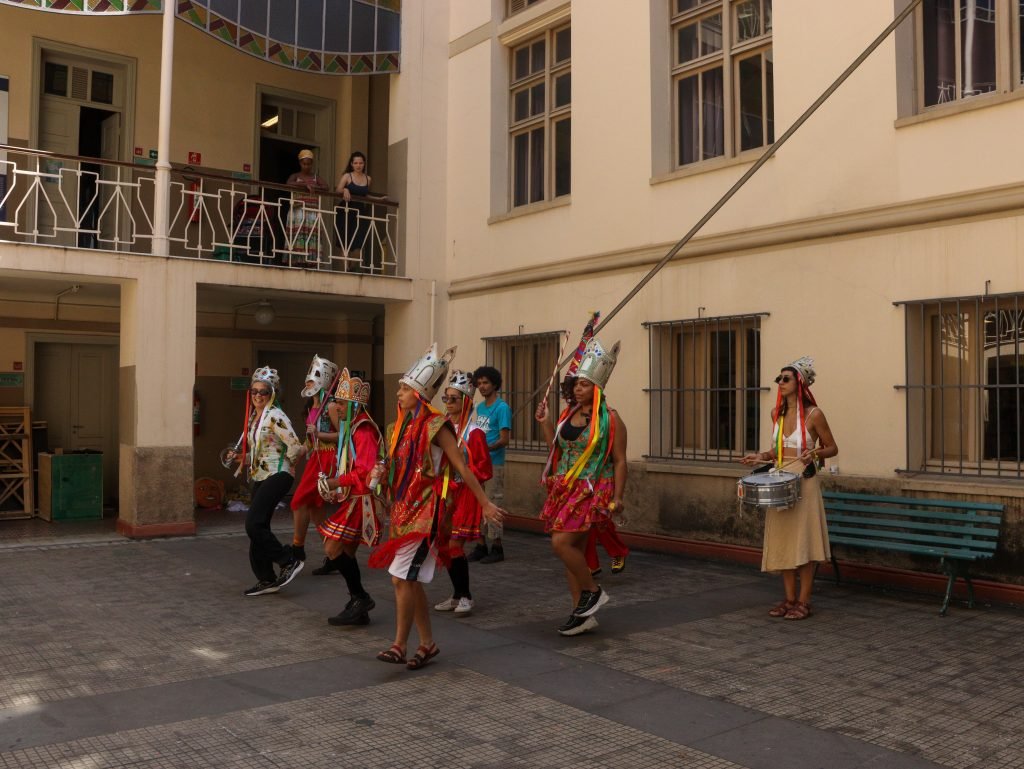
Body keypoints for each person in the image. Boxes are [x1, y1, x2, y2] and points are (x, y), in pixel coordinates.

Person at [368, 344, 505, 669]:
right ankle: (427, 643)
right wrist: (380, 473)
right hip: (403, 512)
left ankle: (400, 644)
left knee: (402, 578)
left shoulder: (436, 426)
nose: (399, 393)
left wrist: (484, 502)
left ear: (420, 393)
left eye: (404, 388)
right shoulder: (397, 428)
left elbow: (462, 466)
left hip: (426, 513)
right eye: (400, 387)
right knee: (405, 580)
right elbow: (397, 466)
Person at [535, 338, 628, 636]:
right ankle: (582, 612)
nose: (578, 388)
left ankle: (593, 590)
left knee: (561, 543)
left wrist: (618, 497)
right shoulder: (566, 415)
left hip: (591, 488)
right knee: (570, 550)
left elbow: (620, 460)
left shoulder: (610, 419)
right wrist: (546, 422)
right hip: (565, 486)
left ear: (597, 387)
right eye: (576, 384)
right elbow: (557, 448)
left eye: (585, 384)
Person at [740, 356, 838, 621]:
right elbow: (778, 451)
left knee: (804, 541)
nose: (780, 383)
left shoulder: (814, 414)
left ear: (799, 382)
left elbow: (832, 447)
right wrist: (760, 456)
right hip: (780, 479)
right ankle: (789, 598)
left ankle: (804, 601)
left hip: (804, 482)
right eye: (778, 379)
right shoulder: (777, 414)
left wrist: (815, 455)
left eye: (785, 379)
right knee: (784, 539)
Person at [226, 367, 307, 596]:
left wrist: (289, 465)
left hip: (277, 475)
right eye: (254, 392)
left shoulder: (275, 416)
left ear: (272, 393)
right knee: (258, 526)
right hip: (261, 474)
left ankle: (288, 560)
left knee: (253, 524)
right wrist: (243, 457)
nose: (258, 396)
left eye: (263, 392)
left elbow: (295, 446)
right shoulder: (255, 418)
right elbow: (263, 451)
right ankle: (266, 578)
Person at [316, 368, 386, 626]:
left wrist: (336, 481)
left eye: (342, 403)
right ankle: (359, 606)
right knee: (346, 551)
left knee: (331, 548)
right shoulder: (351, 427)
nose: (336, 406)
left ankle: (361, 597)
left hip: (361, 500)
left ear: (354, 405)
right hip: (352, 497)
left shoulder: (363, 431)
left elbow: (365, 471)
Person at [433, 370, 492, 617]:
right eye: (446, 398)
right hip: (444, 492)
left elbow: (483, 468)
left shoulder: (474, 432)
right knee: (444, 544)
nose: (448, 403)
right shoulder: (440, 428)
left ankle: (466, 595)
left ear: (466, 401)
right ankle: (457, 593)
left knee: (456, 544)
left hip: (465, 493)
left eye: (454, 398)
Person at [288, 355, 340, 568]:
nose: (307, 383)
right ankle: (335, 556)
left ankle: (297, 548)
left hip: (328, 458)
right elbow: (309, 441)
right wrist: (296, 456)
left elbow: (345, 436)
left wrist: (319, 435)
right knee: (314, 510)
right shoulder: (311, 406)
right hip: (314, 457)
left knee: (299, 501)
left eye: (311, 380)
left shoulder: (332, 406)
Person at [467, 365, 512, 564]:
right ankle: (480, 544)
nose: (482, 386)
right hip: (477, 464)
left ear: (494, 383)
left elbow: (504, 439)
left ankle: (497, 546)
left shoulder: (502, 408)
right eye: (479, 383)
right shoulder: (479, 408)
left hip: (494, 464)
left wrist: (484, 451)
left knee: (493, 502)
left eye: (486, 382)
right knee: (477, 503)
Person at [335, 151, 384, 273]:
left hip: (360, 212)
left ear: (364, 164)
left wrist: (378, 199)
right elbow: (337, 190)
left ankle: (352, 269)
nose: (358, 165)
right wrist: (345, 189)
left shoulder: (368, 179)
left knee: (358, 243)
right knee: (345, 243)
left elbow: (365, 195)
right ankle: (346, 269)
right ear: (351, 164)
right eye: (355, 163)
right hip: (345, 211)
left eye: (360, 163)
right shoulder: (347, 176)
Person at [285, 148, 327, 267]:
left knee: (311, 236)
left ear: (312, 164)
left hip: (311, 212)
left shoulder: (315, 177)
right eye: (304, 164)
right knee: (298, 235)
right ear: (300, 163)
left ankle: (310, 262)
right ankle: (297, 262)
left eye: (309, 164)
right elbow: (288, 183)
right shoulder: (295, 175)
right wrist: (305, 185)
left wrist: (314, 186)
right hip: (298, 212)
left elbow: (326, 186)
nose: (306, 166)